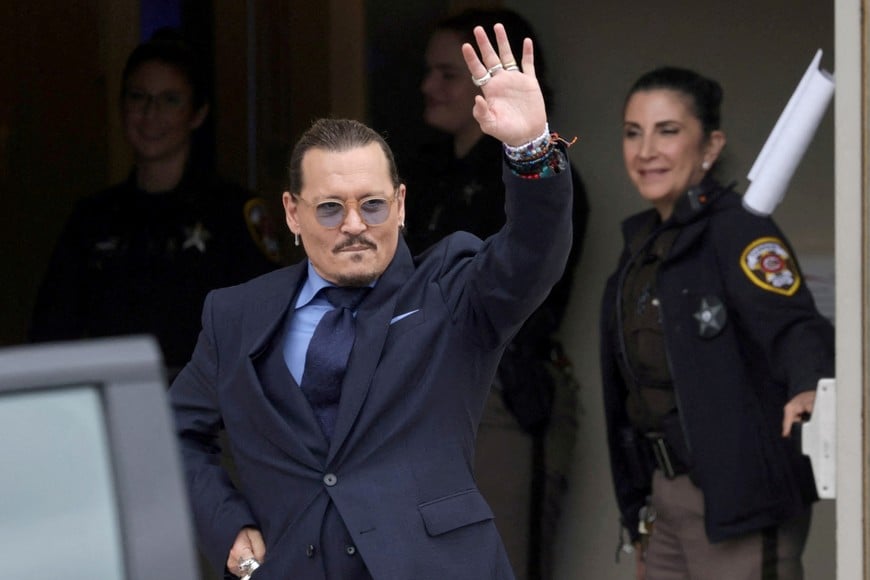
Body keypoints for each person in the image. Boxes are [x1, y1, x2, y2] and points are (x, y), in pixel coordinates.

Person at [169, 22, 573, 580]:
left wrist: (531, 150)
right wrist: (227, 526)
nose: (354, 225)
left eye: (374, 205)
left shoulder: (451, 291)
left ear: (402, 204)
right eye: (330, 208)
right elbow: (174, 432)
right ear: (292, 213)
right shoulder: (236, 313)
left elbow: (533, 254)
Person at [599, 66, 835, 579]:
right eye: (633, 132)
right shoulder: (640, 249)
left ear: (710, 145)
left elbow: (796, 324)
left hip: (740, 497)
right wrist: (639, 505)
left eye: (668, 130)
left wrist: (811, 385)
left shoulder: (737, 230)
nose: (646, 151)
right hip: (664, 501)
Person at [400, 9, 589, 578]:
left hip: (499, 391)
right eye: (428, 72)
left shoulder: (540, 170)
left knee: (491, 560)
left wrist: (528, 148)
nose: (429, 87)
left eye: (447, 74)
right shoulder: (417, 170)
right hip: (411, 392)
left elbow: (529, 259)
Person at [29, 30, 278, 379]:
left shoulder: (231, 213)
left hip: (209, 419)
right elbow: (50, 335)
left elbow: (268, 336)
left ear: (198, 113)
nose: (150, 113)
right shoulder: (93, 218)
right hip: (114, 408)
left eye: (170, 99)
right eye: (138, 97)